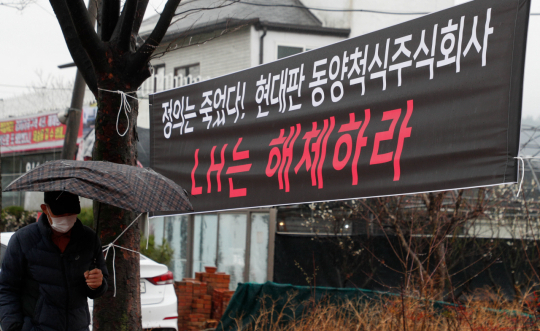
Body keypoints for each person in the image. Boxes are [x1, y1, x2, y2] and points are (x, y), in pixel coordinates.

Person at [0, 191, 108, 331]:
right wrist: (13, 327)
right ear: (45, 209)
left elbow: (99, 286)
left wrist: (97, 284)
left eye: (71, 214)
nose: (66, 218)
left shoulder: (89, 239)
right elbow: (7, 289)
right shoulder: (23, 240)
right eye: (60, 214)